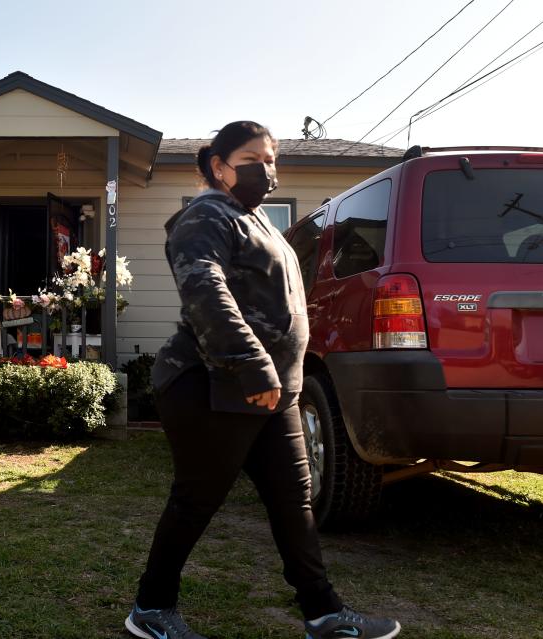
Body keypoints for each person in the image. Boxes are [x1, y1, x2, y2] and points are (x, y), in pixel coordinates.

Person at [124, 121, 400, 639]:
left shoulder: (261, 223)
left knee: (293, 501)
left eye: (272, 158)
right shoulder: (205, 215)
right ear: (218, 166)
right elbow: (203, 284)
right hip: (213, 382)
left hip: (277, 392)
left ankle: (323, 612)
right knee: (196, 499)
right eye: (253, 157)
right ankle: (151, 609)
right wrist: (251, 363)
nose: (266, 168)